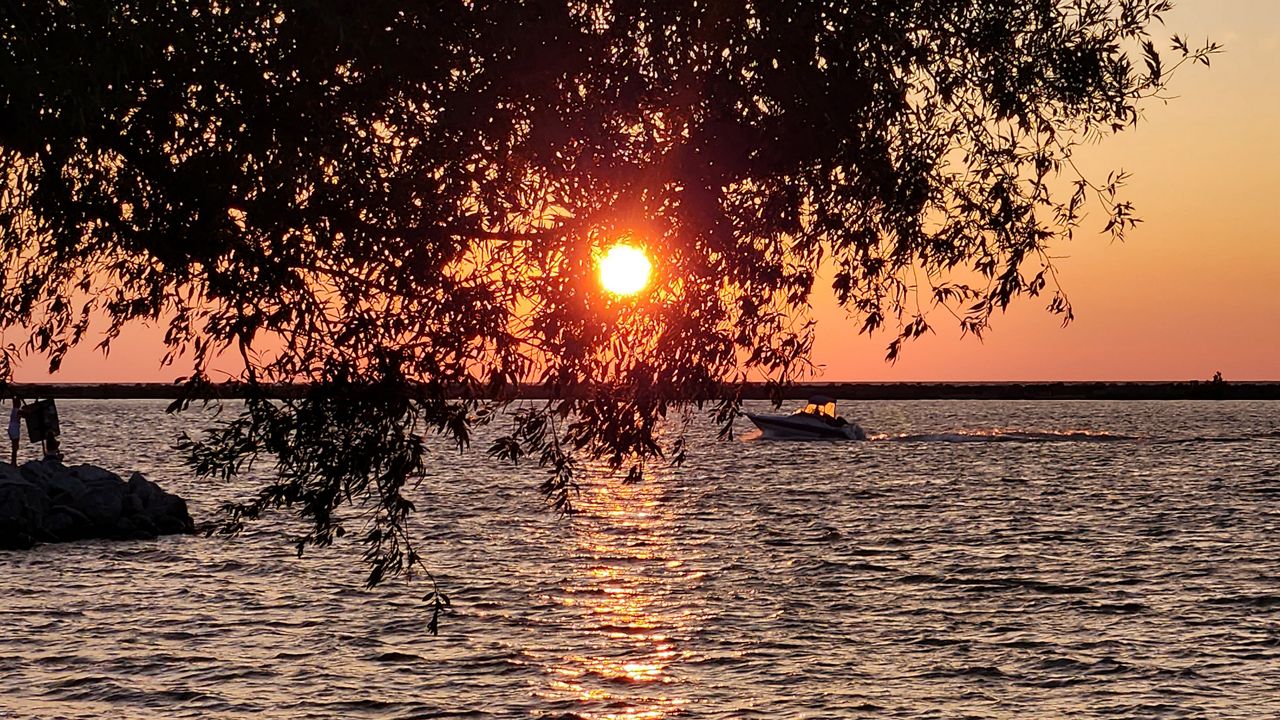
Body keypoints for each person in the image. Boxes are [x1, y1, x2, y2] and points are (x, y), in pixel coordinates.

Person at [8, 397, 25, 466]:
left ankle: (13, 461)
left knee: (14, 446)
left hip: (12, 428)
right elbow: (25, 415)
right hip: (14, 429)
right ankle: (13, 462)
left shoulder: (14, 410)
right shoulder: (17, 411)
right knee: (15, 446)